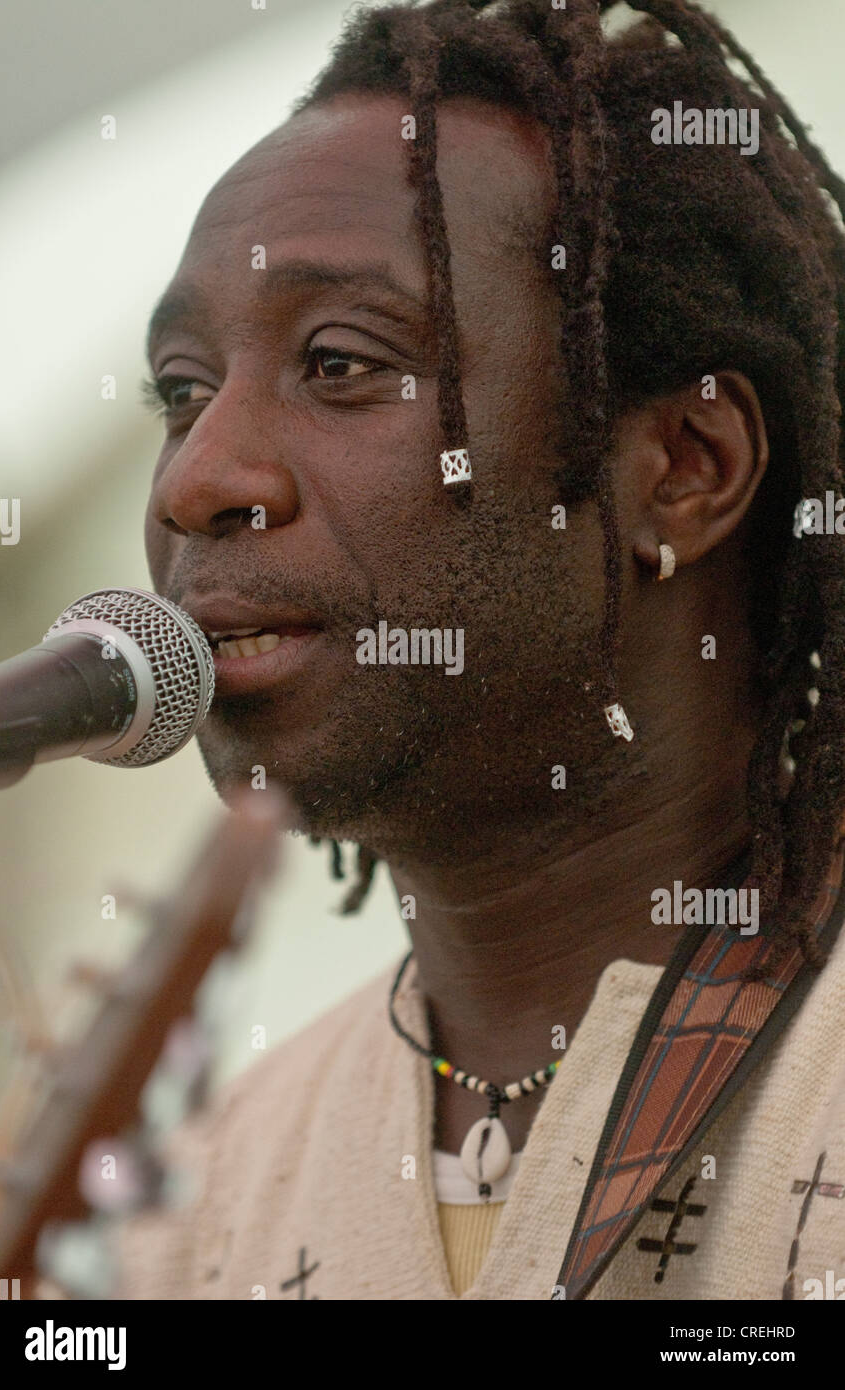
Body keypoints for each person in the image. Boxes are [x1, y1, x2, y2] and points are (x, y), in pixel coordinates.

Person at [119, 0, 845, 1300]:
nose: (198, 479)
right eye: (180, 390)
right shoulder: (215, 1189)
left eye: (339, 361)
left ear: (682, 468)